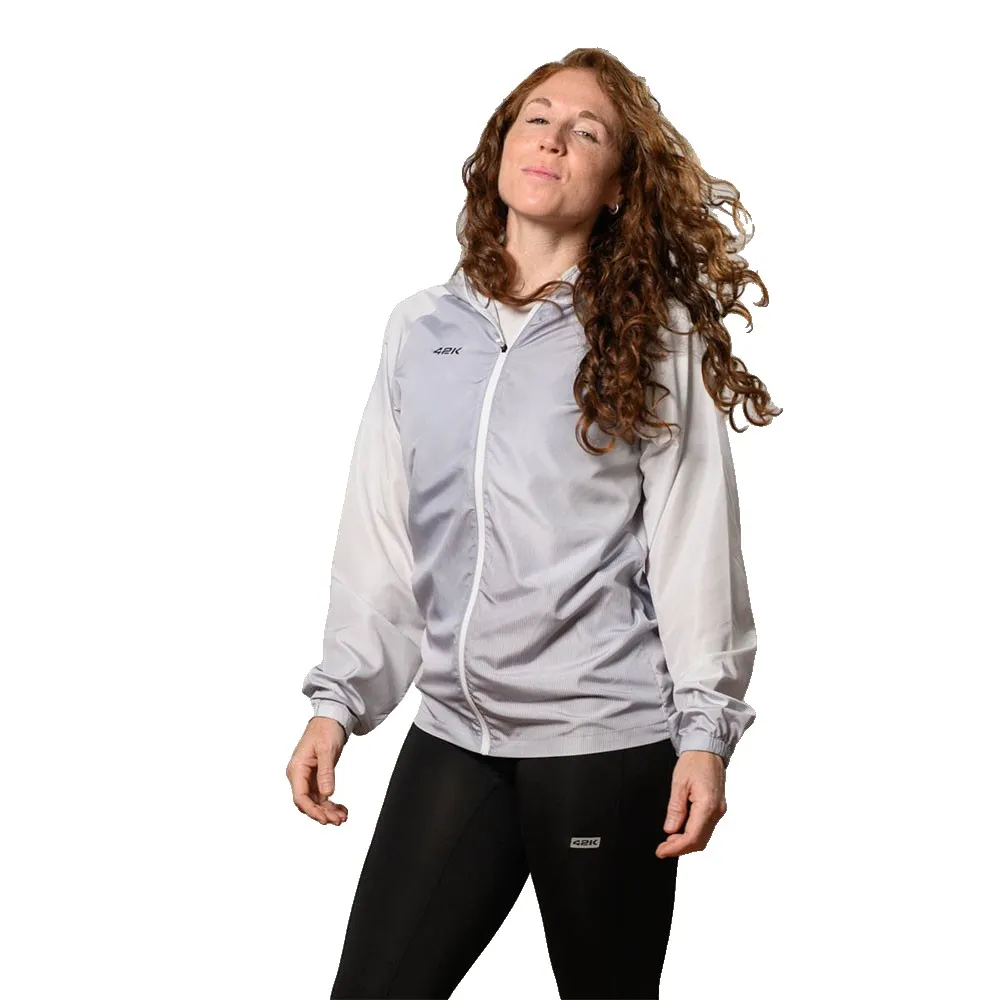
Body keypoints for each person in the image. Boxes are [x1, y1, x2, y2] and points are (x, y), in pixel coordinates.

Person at [287, 46, 781, 999]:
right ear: (501, 150)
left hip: (604, 741)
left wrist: (704, 733)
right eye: (537, 118)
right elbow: (383, 534)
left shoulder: (654, 335)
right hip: (456, 733)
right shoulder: (421, 328)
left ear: (619, 187)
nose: (553, 138)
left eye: (586, 131)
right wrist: (337, 701)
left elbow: (694, 545)